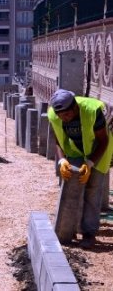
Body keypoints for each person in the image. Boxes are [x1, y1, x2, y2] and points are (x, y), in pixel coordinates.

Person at [48, 89, 113, 249]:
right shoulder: (54, 114)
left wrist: (90, 164)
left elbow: (103, 141)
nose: (64, 118)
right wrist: (62, 160)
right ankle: (67, 230)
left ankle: (89, 233)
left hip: (98, 150)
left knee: (93, 190)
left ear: (75, 107)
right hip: (75, 149)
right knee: (71, 184)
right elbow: (57, 138)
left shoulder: (92, 111)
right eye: (61, 116)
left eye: (67, 115)